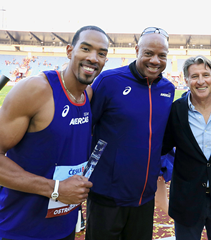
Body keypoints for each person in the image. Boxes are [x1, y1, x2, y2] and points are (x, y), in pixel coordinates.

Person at [0, 25, 109, 239]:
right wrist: (56, 189)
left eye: (101, 53)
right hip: (21, 229)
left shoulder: (87, 95)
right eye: (86, 49)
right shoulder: (35, 90)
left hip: (64, 226)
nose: (93, 58)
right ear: (70, 51)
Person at [86, 27, 175, 240]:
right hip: (106, 195)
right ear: (137, 50)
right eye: (148, 53)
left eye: (162, 55)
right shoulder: (109, 81)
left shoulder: (168, 89)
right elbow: (86, 128)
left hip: (144, 197)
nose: (155, 60)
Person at [162, 55, 211, 240]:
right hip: (186, 201)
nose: (200, 81)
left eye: (205, 75)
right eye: (194, 76)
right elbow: (161, 146)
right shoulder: (175, 111)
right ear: (186, 80)